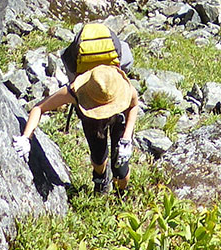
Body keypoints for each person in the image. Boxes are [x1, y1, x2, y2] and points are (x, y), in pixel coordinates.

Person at [15, 64, 140, 194]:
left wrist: (126, 138)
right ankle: (100, 179)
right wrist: (26, 137)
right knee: (98, 157)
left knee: (120, 169)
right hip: (93, 123)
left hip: (119, 116)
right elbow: (39, 108)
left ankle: (122, 192)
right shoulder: (75, 91)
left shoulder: (124, 89)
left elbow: (133, 105)